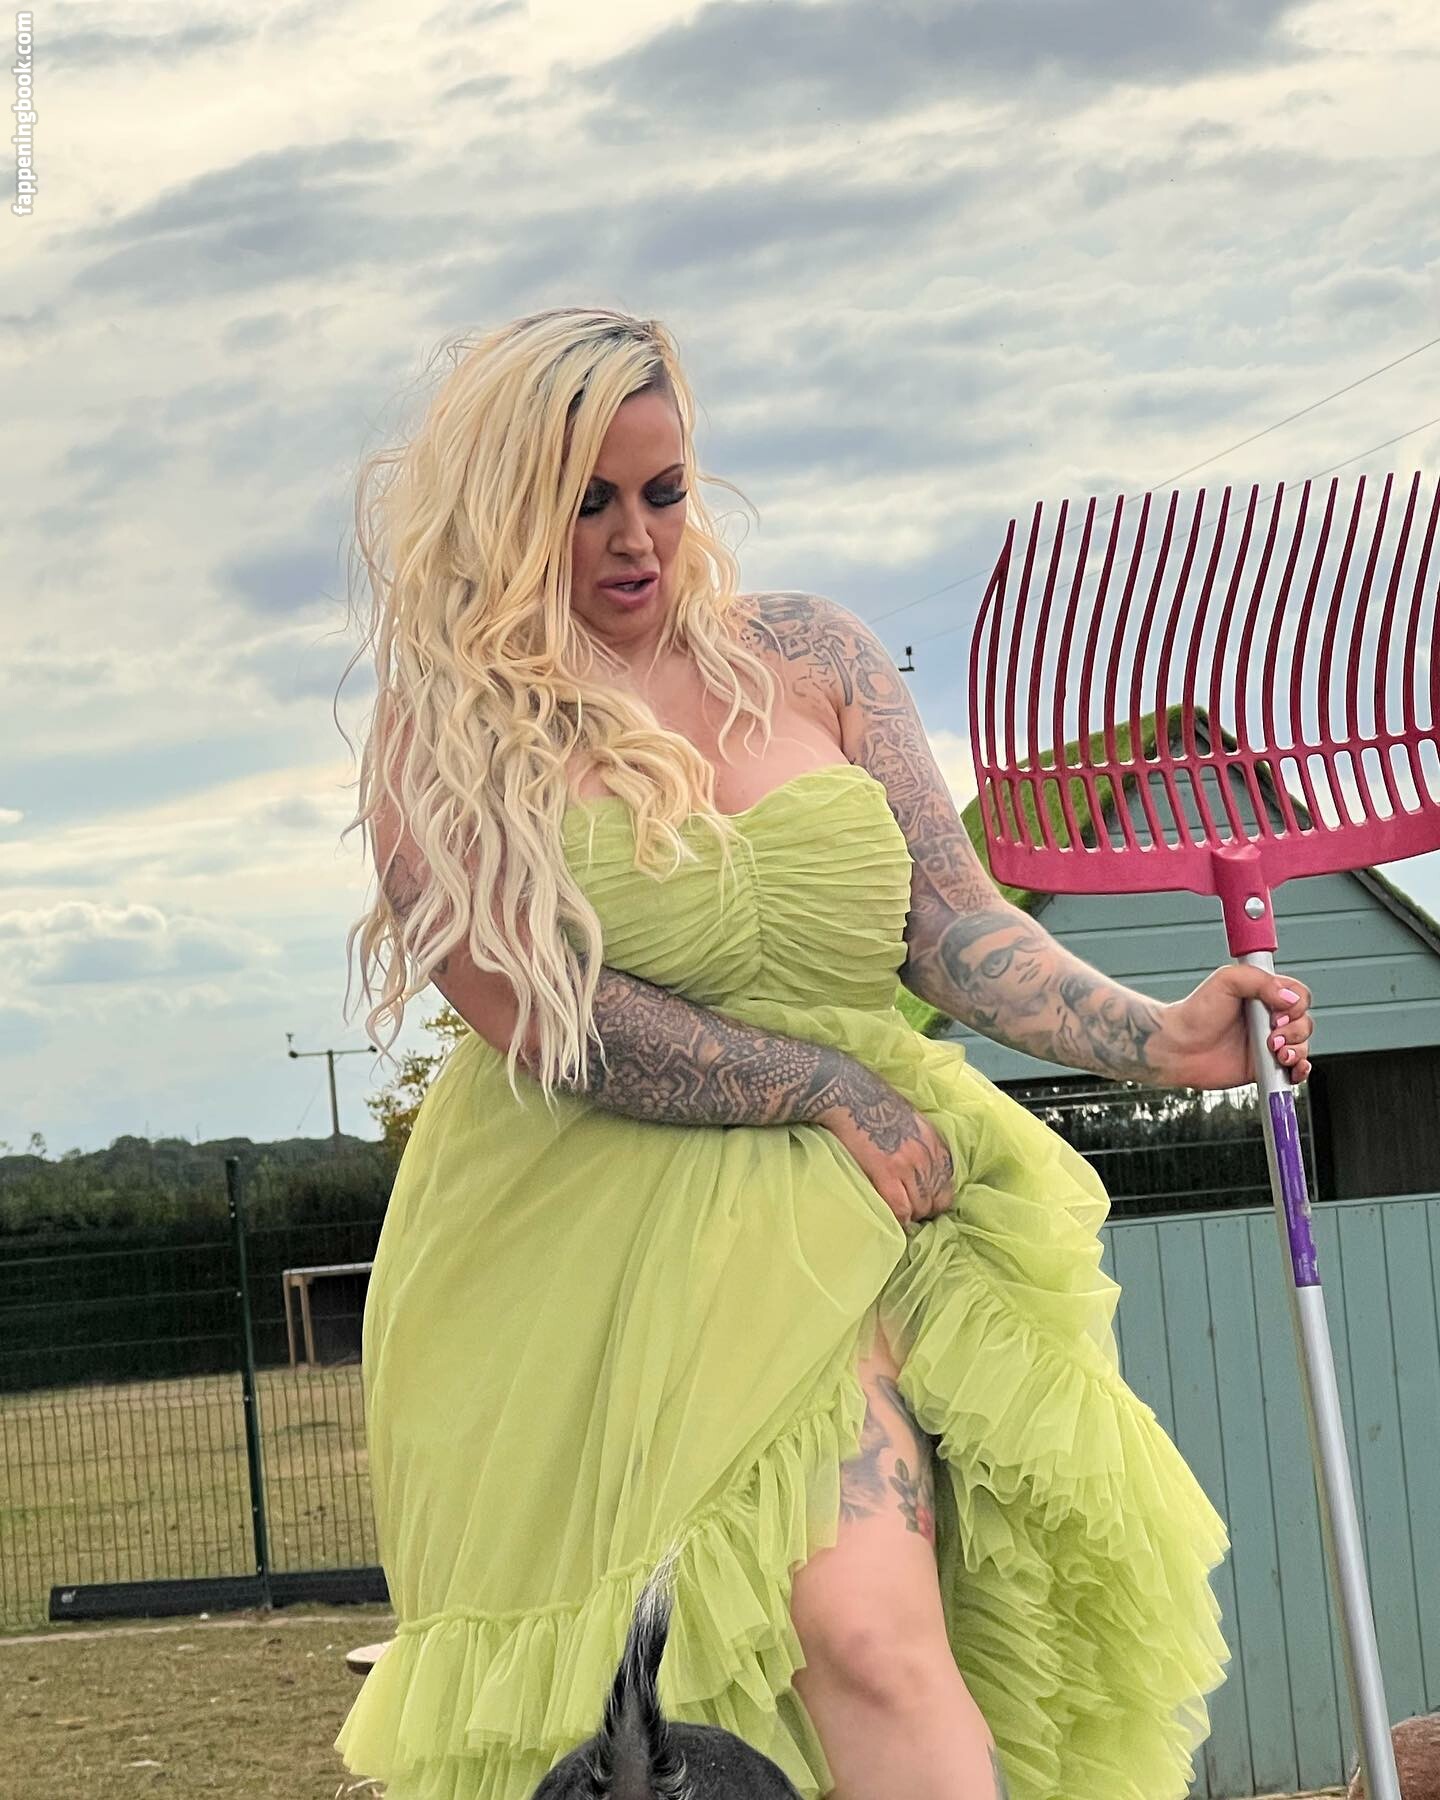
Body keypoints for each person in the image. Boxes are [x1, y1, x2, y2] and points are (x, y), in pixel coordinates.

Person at [334, 307, 1315, 1800]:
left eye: (663, 490)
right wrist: (822, 1087)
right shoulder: (447, 730)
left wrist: (1161, 1037)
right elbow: (546, 1014)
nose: (635, 538)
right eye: (585, 501)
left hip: (876, 1211)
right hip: (587, 1256)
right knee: (678, 1695)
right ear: (504, 509)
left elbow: (952, 921)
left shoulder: (810, 656)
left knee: (876, 1633)